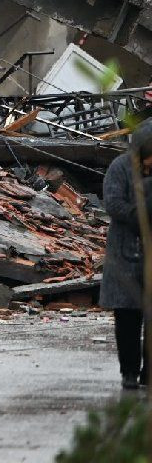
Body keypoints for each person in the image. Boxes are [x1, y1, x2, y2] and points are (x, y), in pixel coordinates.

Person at [101, 120, 152, 389]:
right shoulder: (120, 168)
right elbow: (112, 202)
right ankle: (129, 372)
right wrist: (139, 214)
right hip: (125, 252)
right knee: (128, 319)